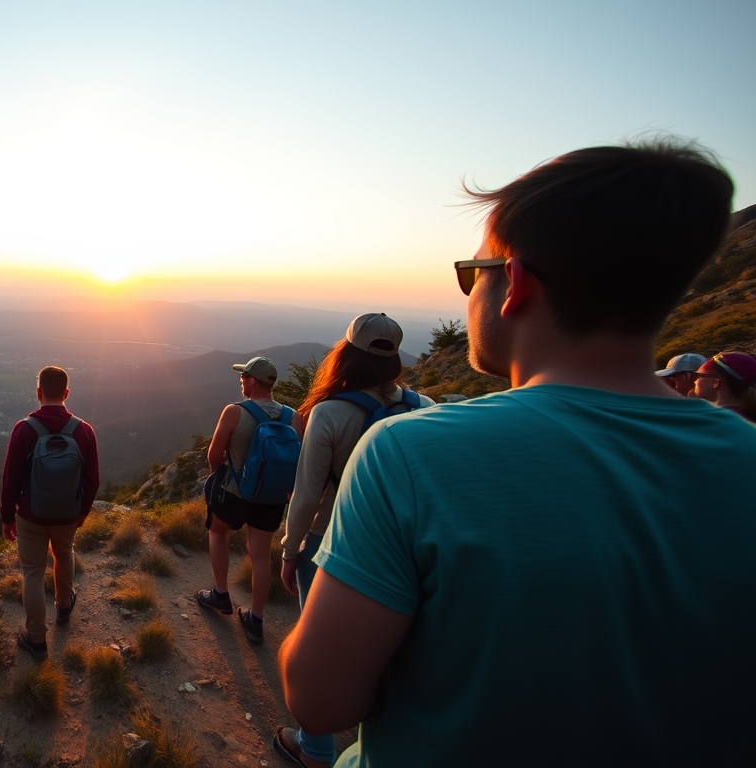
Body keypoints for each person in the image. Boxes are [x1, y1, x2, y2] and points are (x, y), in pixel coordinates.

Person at [278, 139, 756, 767]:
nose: (466, 291)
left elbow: (318, 702)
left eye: (471, 273)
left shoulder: (410, 456)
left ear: (517, 285)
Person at [273, 314, 433, 768]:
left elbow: (307, 495)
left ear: (344, 354)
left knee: (322, 648)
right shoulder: (424, 406)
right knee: (395, 653)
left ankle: (316, 749)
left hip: (330, 543)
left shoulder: (329, 412)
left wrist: (290, 550)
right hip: (404, 549)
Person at [197, 356, 303, 645]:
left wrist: (220, 473)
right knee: (259, 555)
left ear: (253, 381)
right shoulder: (294, 417)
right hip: (271, 497)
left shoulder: (234, 412)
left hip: (235, 492)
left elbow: (213, 456)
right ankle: (255, 620)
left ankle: (220, 594)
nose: (241, 380)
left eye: (244, 377)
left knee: (217, 532)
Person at [0, 365, 100, 661]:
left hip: (30, 515)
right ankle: (64, 606)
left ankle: (35, 639)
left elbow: (11, 479)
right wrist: (83, 512)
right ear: (67, 393)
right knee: (64, 552)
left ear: (38, 392)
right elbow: (93, 479)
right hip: (68, 513)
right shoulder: (84, 431)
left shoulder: (23, 429)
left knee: (32, 572)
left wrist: (7, 517)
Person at [693, 350, 756, 420]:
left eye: (698, 376)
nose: (694, 381)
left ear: (715, 382)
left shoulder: (711, 420)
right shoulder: (748, 415)